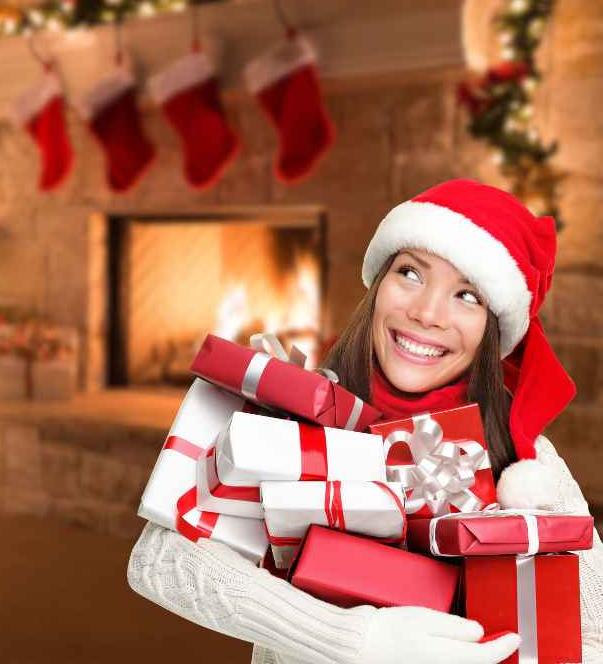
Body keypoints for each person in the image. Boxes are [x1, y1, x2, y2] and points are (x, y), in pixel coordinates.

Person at [127, 179, 602, 664]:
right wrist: (355, 638)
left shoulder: (529, 465)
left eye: (467, 295)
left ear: (493, 329)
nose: (426, 313)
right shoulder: (292, 412)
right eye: (411, 274)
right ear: (378, 284)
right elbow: (159, 563)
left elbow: (596, 636)